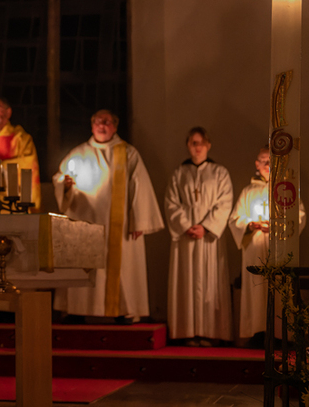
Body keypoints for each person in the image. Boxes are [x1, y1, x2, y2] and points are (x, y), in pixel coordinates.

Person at [52, 109, 164, 321]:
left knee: (122, 268)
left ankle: (123, 311)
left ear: (115, 126)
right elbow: (60, 178)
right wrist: (65, 185)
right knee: (83, 265)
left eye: (107, 122)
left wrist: (139, 220)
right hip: (85, 222)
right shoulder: (78, 153)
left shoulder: (128, 153)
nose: (102, 125)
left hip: (118, 226)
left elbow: (140, 188)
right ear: (91, 125)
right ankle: (77, 311)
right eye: (97, 121)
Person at [229, 146, 305, 343]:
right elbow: (235, 219)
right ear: (257, 164)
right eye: (263, 161)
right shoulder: (248, 191)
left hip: (277, 248)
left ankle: (280, 336)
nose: (267, 165)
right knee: (256, 288)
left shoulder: (286, 188)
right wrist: (249, 224)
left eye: (271, 161)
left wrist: (276, 226)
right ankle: (257, 333)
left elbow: (299, 216)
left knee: (278, 288)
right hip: (254, 248)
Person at [165, 126, 233, 346]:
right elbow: (171, 203)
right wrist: (186, 225)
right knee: (186, 281)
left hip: (208, 238)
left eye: (201, 142)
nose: (198, 147)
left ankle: (211, 332)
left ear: (208, 145)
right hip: (186, 237)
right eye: (194, 143)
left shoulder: (219, 172)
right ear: (188, 146)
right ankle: (186, 331)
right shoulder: (179, 173)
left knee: (210, 281)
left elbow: (224, 203)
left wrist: (205, 227)